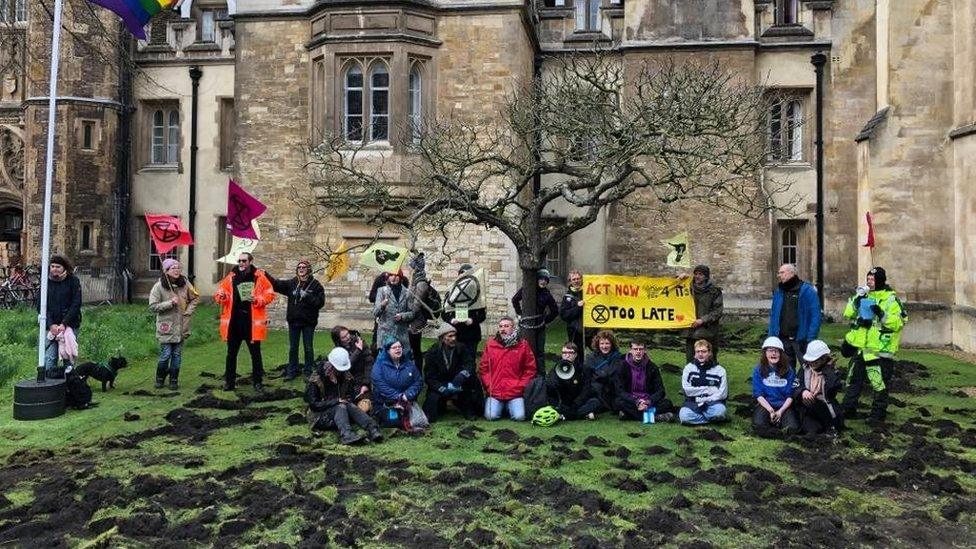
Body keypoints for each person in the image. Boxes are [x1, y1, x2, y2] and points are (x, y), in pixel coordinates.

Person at [840, 267, 906, 424]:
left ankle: (877, 415)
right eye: (868, 279)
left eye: (872, 279)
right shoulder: (863, 294)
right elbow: (848, 313)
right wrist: (856, 304)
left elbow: (899, 322)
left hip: (880, 351)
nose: (869, 282)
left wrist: (882, 314)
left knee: (879, 384)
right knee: (853, 380)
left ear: (881, 280)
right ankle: (848, 409)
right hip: (861, 348)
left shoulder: (891, 299)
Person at [214, 252, 276, 392]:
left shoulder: (259, 277)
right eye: (239, 261)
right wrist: (222, 296)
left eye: (243, 261)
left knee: (255, 354)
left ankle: (258, 382)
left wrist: (258, 300)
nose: (241, 263)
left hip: (252, 323)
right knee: (231, 355)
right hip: (234, 323)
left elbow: (270, 293)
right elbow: (219, 295)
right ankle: (229, 383)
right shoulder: (230, 277)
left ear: (250, 261)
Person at [305, 347, 383, 444]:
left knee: (348, 405)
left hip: (342, 412)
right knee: (341, 406)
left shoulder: (346, 376)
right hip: (319, 416)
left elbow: (350, 394)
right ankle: (346, 435)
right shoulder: (316, 379)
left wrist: (352, 399)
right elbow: (313, 405)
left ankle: (372, 429)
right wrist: (336, 401)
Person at [267, 260, 325, 381]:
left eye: (304, 267)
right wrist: (266, 275)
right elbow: (277, 285)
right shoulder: (293, 283)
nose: (301, 269)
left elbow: (320, 303)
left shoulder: (316, 285)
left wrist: (307, 296)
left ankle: (308, 371)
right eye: (299, 267)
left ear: (309, 269)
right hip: (294, 321)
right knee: (293, 347)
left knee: (308, 347)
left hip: (308, 322)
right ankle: (292, 371)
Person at [148, 259, 199, 389]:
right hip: (166, 326)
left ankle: (174, 380)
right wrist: (170, 303)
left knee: (176, 354)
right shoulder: (158, 286)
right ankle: (160, 378)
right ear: (166, 271)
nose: (176, 270)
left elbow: (195, 298)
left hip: (181, 326)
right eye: (173, 268)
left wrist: (187, 312)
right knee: (165, 354)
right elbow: (153, 307)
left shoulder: (185, 283)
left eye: (178, 268)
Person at [479, 316, 536, 421]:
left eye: (506, 326)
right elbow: (483, 368)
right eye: (500, 326)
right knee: (491, 416)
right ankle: (503, 407)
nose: (502, 329)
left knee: (520, 417)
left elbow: (530, 369)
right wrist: (489, 384)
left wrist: (521, 385)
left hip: (515, 391)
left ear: (513, 328)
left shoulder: (523, 345)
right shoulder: (491, 344)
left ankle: (507, 407)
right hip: (495, 391)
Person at [423, 323, 483, 421]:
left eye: (455, 335)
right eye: (450, 336)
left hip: (459, 382)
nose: (454, 338)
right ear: (442, 338)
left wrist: (462, 375)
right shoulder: (432, 352)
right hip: (441, 383)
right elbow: (429, 376)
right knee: (432, 409)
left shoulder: (462, 348)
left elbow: (470, 365)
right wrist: (441, 388)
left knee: (472, 385)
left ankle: (468, 409)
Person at [768, 263, 821, 369]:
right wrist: (772, 336)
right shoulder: (779, 292)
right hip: (783, 339)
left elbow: (815, 315)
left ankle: (808, 385)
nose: (779, 275)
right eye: (779, 273)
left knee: (808, 368)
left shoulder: (807, 291)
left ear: (792, 273)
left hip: (801, 339)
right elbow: (774, 315)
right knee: (786, 370)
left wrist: (811, 337)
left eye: (782, 272)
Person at [613, 340, 676, 422]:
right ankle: (656, 417)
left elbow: (660, 391)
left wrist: (648, 402)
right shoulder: (622, 366)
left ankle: (630, 415)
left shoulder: (652, 367)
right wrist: (637, 402)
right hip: (631, 400)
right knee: (618, 402)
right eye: (635, 349)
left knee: (667, 403)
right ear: (630, 350)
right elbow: (620, 391)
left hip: (648, 400)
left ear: (645, 350)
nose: (638, 352)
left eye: (641, 349)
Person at [511, 269, 559, 373]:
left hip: (539, 326)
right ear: (537, 280)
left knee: (539, 351)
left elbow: (555, 311)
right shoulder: (527, 289)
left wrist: (545, 320)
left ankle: (541, 374)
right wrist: (519, 314)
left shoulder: (546, 294)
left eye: (545, 280)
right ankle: (522, 371)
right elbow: (515, 300)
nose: (543, 282)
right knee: (523, 348)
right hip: (526, 324)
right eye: (541, 279)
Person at [792, 340, 844, 435]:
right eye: (810, 360)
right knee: (811, 430)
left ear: (823, 358)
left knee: (817, 403)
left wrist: (828, 370)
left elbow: (832, 389)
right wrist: (803, 391)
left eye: (815, 360)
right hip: (808, 408)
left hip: (827, 410)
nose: (811, 363)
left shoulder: (833, 372)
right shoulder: (805, 368)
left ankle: (831, 428)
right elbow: (795, 386)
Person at [371, 340, 425, 430]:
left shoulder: (409, 364)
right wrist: (398, 397)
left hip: (407, 401)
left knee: (418, 422)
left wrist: (408, 395)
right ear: (388, 350)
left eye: (399, 347)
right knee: (394, 422)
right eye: (394, 347)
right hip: (386, 402)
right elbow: (380, 385)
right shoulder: (379, 365)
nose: (398, 349)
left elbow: (418, 381)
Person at [43, 255, 82, 378]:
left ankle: (70, 385)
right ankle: (48, 384)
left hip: (69, 325)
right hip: (51, 325)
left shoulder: (73, 281)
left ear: (64, 268)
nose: (54, 269)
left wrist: (64, 323)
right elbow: (42, 305)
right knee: (50, 356)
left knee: (67, 355)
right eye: (52, 266)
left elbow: (76, 304)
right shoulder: (45, 282)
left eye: (58, 267)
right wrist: (51, 324)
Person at [751, 336, 800, 434]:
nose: (774, 353)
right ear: (765, 353)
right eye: (770, 351)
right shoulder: (758, 370)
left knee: (793, 429)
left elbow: (790, 395)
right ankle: (772, 420)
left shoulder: (789, 370)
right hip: (766, 405)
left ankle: (779, 421)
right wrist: (771, 411)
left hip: (784, 407)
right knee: (758, 425)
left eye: (777, 351)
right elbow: (758, 395)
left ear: (781, 354)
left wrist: (780, 411)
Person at [442, 263, 487, 362]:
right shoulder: (451, 293)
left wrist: (472, 320)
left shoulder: (478, 295)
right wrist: (451, 319)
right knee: (455, 361)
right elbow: (444, 313)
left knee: (470, 360)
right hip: (455, 333)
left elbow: (482, 315)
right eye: (462, 274)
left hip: (471, 334)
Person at [545, 342, 601, 420]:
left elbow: (586, 389)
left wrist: (576, 403)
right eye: (564, 353)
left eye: (570, 353)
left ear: (576, 355)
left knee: (595, 402)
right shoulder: (556, 368)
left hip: (578, 401)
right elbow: (552, 386)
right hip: (563, 402)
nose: (567, 355)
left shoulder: (583, 369)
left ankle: (567, 416)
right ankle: (581, 415)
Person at [679, 339, 728, 425]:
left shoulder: (720, 370)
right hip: (693, 403)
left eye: (704, 351)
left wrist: (706, 399)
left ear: (709, 353)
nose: (700, 354)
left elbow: (722, 394)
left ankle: (707, 418)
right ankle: (711, 420)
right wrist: (708, 390)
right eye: (698, 352)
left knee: (719, 412)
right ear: (694, 354)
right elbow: (687, 390)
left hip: (713, 403)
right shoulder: (688, 368)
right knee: (684, 417)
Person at [682, 265, 724, 363]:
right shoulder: (688, 287)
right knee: (691, 359)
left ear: (706, 277)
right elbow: (673, 288)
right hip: (691, 331)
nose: (697, 276)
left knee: (709, 358)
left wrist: (702, 320)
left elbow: (717, 311)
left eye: (700, 274)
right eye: (695, 274)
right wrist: (679, 278)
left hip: (708, 331)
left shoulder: (714, 291)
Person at [330, 325, 374, 413]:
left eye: (347, 334)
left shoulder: (360, 342)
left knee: (364, 406)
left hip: (361, 378)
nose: (347, 337)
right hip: (347, 382)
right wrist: (358, 351)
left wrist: (366, 384)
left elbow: (369, 364)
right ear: (338, 339)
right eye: (344, 337)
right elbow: (344, 366)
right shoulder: (337, 351)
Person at [373, 271, 414, 350]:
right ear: (388, 277)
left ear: (400, 277)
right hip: (385, 335)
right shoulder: (382, 291)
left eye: (397, 275)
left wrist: (402, 316)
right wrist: (382, 305)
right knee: (385, 361)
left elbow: (412, 313)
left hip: (401, 336)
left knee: (402, 360)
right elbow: (375, 312)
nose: (394, 277)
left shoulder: (407, 293)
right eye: (391, 275)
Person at [585, 330, 624, 413]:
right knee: (594, 403)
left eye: (607, 343)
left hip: (614, 391)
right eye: (602, 344)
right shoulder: (591, 358)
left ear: (612, 344)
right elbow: (587, 378)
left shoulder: (618, 357)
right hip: (597, 392)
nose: (604, 346)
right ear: (598, 345)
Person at [407, 253, 433, 370]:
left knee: (416, 350)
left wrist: (405, 315)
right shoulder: (414, 281)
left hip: (416, 323)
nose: (409, 270)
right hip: (411, 321)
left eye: (411, 267)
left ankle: (417, 375)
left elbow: (416, 305)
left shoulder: (421, 283)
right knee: (410, 349)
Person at [559, 269, 592, 351]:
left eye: (578, 279)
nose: (576, 281)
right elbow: (564, 315)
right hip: (574, 332)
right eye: (574, 279)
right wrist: (578, 307)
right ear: (570, 281)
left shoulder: (589, 293)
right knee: (577, 355)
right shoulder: (567, 297)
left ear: (581, 279)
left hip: (590, 331)